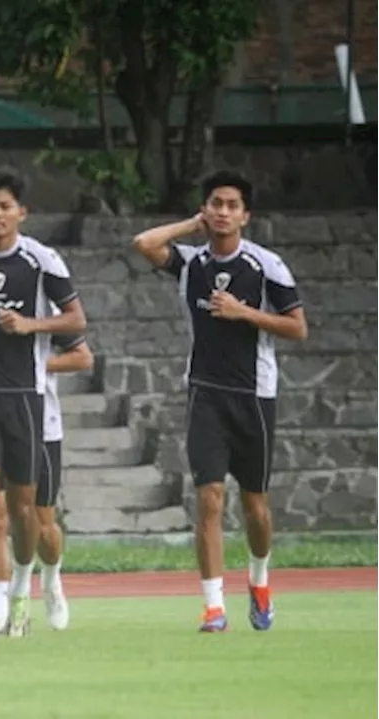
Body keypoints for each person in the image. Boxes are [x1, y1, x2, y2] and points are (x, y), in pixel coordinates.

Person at [132, 170, 307, 632]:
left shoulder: (266, 265)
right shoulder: (191, 262)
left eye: (232, 205)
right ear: (205, 209)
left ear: (246, 215)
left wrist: (243, 312)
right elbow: (144, 243)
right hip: (205, 394)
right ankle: (214, 607)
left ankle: (259, 579)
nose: (223, 212)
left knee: (256, 506)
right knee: (209, 498)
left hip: (254, 397)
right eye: (216, 203)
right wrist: (191, 225)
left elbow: (297, 327)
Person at [0, 168, 86, 639]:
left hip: (27, 400)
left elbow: (74, 319)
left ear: (21, 212)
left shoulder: (41, 260)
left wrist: (29, 326)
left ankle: (26, 588)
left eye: (5, 206)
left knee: (27, 512)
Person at [36, 331, 94, 630]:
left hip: (42, 426)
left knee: (42, 521)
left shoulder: (42, 307)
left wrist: (35, 364)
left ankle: (51, 579)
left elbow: (83, 357)